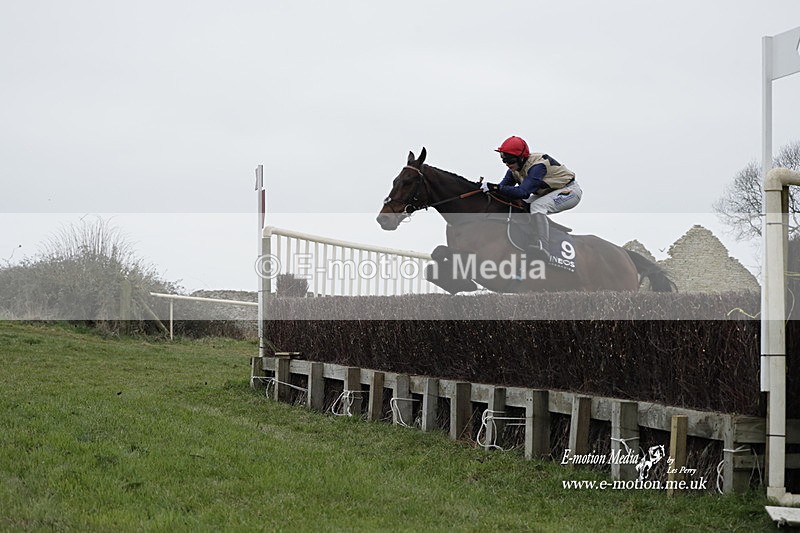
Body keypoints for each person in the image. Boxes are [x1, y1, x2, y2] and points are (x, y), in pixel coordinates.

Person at [480, 136, 582, 261]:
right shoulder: (514, 169)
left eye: (510, 160)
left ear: (521, 157)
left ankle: (543, 246)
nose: (507, 164)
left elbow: (523, 192)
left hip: (570, 191)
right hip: (549, 192)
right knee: (518, 204)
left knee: (537, 206)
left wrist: (495, 187)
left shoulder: (538, 167)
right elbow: (503, 190)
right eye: (504, 159)